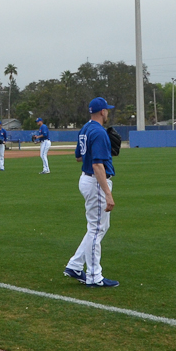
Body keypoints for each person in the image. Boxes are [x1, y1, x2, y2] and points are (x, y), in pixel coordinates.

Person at [64, 97, 118, 287]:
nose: (107, 113)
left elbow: (79, 157)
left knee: (99, 228)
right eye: (107, 110)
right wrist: (108, 193)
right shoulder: (98, 132)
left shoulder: (86, 128)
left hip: (86, 179)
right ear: (102, 112)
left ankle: (75, 265)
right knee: (96, 229)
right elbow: (97, 164)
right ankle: (95, 277)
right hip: (96, 181)